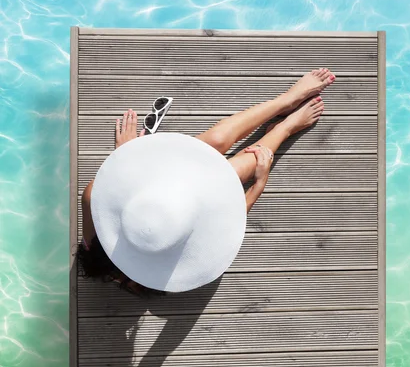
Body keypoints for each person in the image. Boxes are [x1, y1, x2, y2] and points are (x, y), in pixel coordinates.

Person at [76, 67, 335, 295]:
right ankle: (283, 129)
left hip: (158, 182)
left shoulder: (96, 211)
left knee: (218, 140)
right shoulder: (160, 267)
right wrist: (259, 184)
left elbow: (97, 191)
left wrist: (127, 154)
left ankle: (286, 101)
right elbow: (227, 225)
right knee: (244, 167)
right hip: (189, 207)